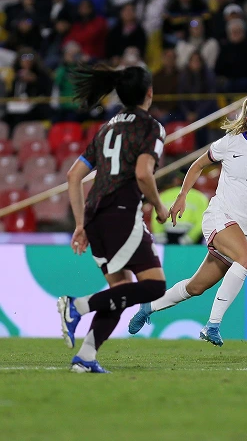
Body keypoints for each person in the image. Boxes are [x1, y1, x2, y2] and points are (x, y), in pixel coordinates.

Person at [128, 94, 247, 346]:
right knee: (246, 258)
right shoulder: (230, 143)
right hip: (220, 216)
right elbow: (197, 165)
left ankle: (148, 307)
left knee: (196, 287)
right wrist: (182, 196)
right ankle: (213, 325)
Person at [57, 64, 170, 373]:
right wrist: (159, 206)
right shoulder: (151, 127)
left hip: (95, 217)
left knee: (119, 290)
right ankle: (77, 305)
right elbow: (143, 173)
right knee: (154, 287)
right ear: (149, 93)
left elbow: (73, 176)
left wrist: (80, 225)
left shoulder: (107, 128)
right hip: (121, 213)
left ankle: (86, 357)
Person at [151, 172, 209, 245]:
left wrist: (161, 239)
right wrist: (187, 239)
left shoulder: (164, 195)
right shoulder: (200, 197)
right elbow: (201, 222)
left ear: (175, 180)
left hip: (167, 237)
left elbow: (156, 218)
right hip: (191, 242)